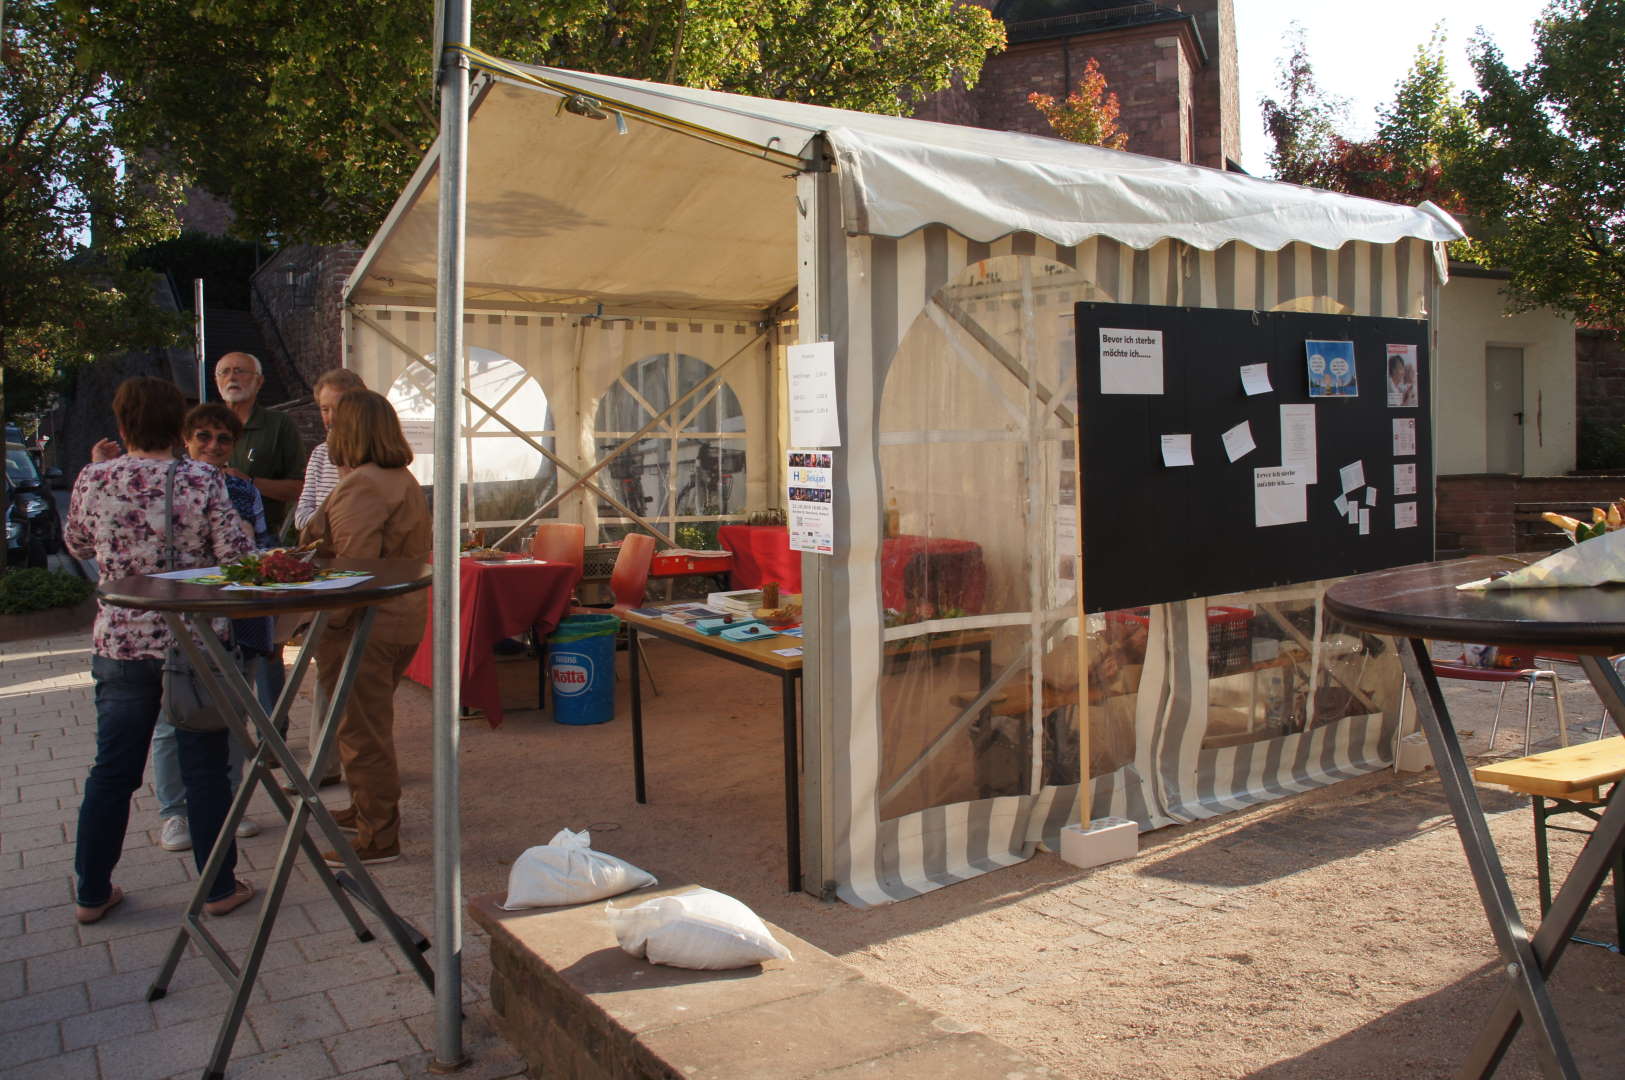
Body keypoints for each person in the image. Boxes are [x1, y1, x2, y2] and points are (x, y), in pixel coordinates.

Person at [65, 377, 256, 924]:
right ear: (180, 426)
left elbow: (77, 544)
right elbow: (236, 556)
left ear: (122, 425)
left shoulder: (94, 477)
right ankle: (218, 886)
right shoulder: (201, 478)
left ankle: (91, 892)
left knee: (112, 771)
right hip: (194, 644)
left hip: (121, 642)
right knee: (205, 771)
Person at [300, 389, 431, 866]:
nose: (328, 426)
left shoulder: (364, 485)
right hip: (399, 617)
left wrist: (323, 626)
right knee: (365, 725)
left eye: (334, 420)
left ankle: (379, 835)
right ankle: (365, 811)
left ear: (350, 431)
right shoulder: (399, 478)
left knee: (361, 731)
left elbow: (351, 571)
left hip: (365, 625)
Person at [150, 404, 277, 852]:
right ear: (185, 440)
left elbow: (263, 546)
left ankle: (228, 806)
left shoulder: (243, 491)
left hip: (239, 617)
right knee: (176, 717)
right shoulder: (168, 486)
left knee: (235, 716)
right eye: (202, 436)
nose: (212, 446)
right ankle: (176, 813)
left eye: (223, 439)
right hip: (187, 619)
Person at [216, 351, 305, 745]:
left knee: (267, 644)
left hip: (264, 548)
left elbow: (298, 488)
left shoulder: (277, 426)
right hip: (213, 555)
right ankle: (226, 732)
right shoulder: (206, 424)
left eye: (240, 370)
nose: (232, 377)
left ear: (258, 379)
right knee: (220, 644)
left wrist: (249, 483)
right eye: (224, 372)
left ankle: (274, 736)